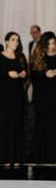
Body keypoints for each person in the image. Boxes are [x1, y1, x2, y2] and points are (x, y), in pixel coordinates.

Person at [30, 31, 56, 163]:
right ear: (44, 43)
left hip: (55, 96)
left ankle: (53, 156)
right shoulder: (38, 56)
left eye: (53, 43)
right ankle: (40, 156)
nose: (51, 46)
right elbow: (33, 76)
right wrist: (45, 75)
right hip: (41, 97)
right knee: (41, 124)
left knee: (54, 125)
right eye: (49, 43)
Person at [0, 32, 27, 166]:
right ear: (6, 41)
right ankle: (5, 157)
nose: (15, 42)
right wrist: (7, 74)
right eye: (12, 39)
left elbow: (26, 75)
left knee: (17, 125)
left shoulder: (21, 57)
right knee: (5, 125)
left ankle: (17, 157)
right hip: (4, 96)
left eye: (17, 40)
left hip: (18, 95)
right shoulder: (0, 56)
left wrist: (23, 74)